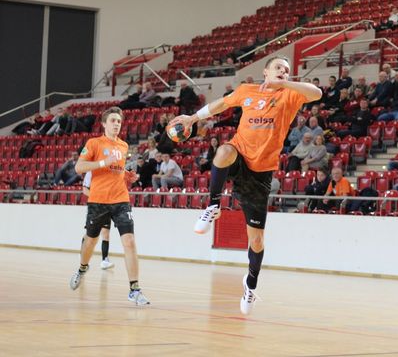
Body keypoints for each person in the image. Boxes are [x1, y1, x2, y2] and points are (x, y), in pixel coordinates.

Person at [168, 56, 321, 315]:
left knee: (257, 240)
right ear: (265, 71)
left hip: (260, 174)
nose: (283, 71)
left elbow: (316, 93)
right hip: (239, 154)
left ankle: (250, 284)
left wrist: (285, 83)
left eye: (286, 69)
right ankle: (213, 206)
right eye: (278, 68)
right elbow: (220, 104)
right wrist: (193, 118)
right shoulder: (246, 90)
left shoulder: (289, 95)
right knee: (224, 151)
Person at [69, 107, 149, 306]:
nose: (116, 124)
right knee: (90, 241)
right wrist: (103, 162)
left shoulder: (123, 145)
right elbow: (79, 167)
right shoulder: (94, 143)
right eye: (113, 120)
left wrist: (127, 176)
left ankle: (134, 289)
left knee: (129, 241)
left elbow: (117, 170)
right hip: (98, 200)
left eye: (119, 121)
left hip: (121, 199)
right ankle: (82, 268)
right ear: (104, 124)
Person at [82, 172, 114, 269]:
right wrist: (96, 197)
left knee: (106, 233)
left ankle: (105, 260)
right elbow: (85, 190)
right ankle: (83, 253)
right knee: (89, 234)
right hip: (95, 206)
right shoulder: (90, 172)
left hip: (106, 206)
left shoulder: (109, 172)